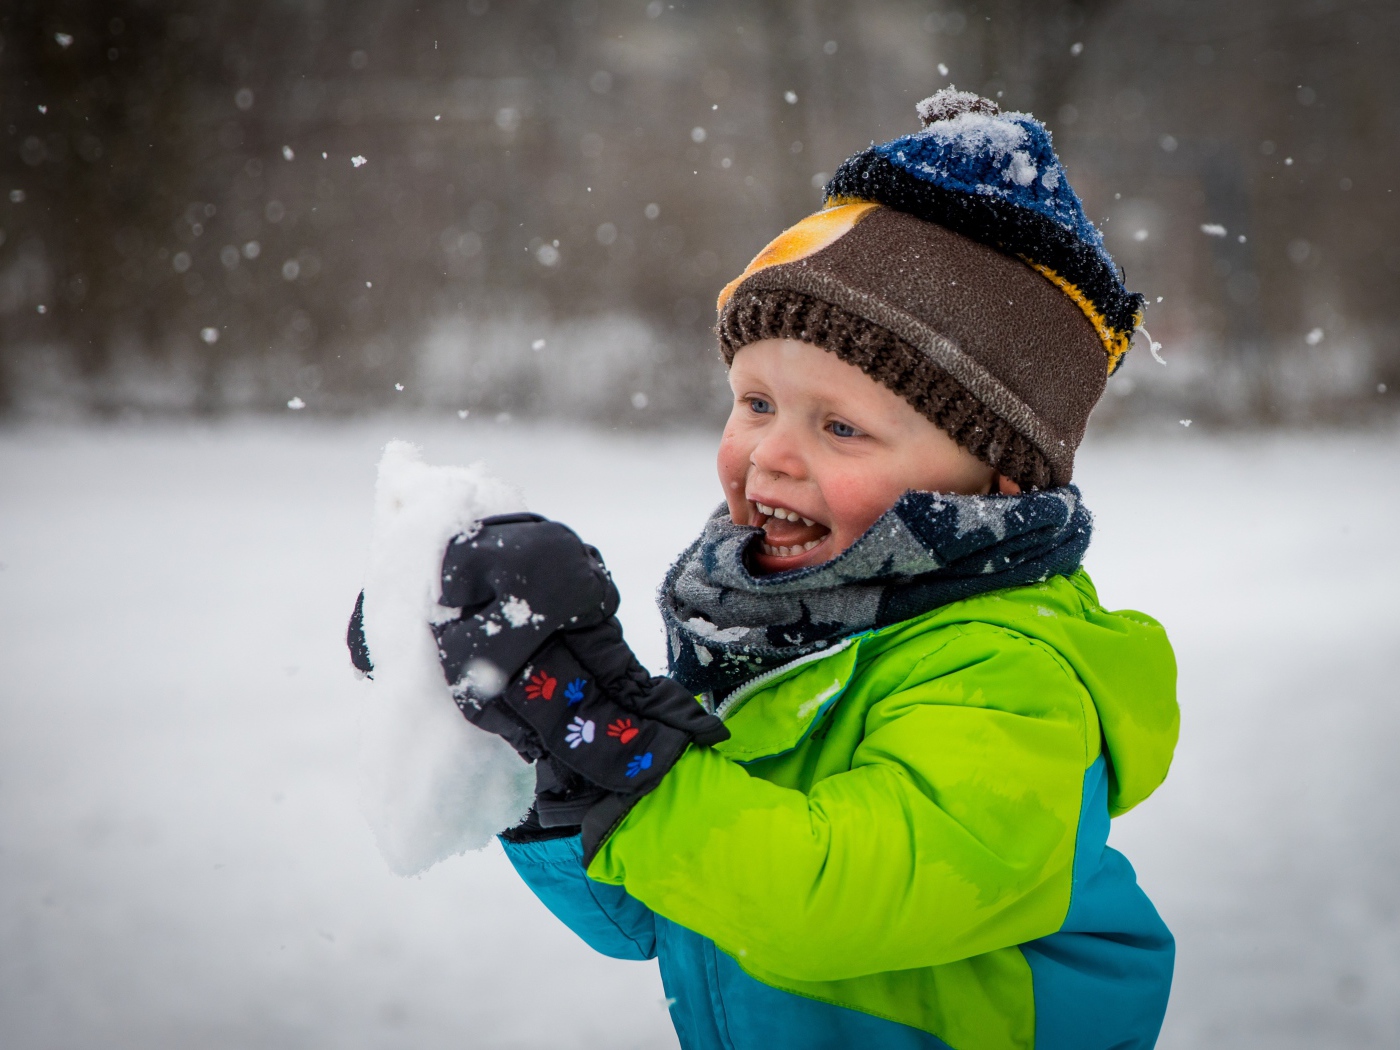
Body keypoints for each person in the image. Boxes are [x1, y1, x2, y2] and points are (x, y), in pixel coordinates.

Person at [361, 88, 1180, 1049]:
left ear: (991, 482)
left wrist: (631, 752)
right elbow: (659, 917)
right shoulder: (777, 632)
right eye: (755, 403)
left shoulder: (1009, 679)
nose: (770, 456)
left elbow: (824, 898)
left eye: (839, 426)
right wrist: (546, 736)